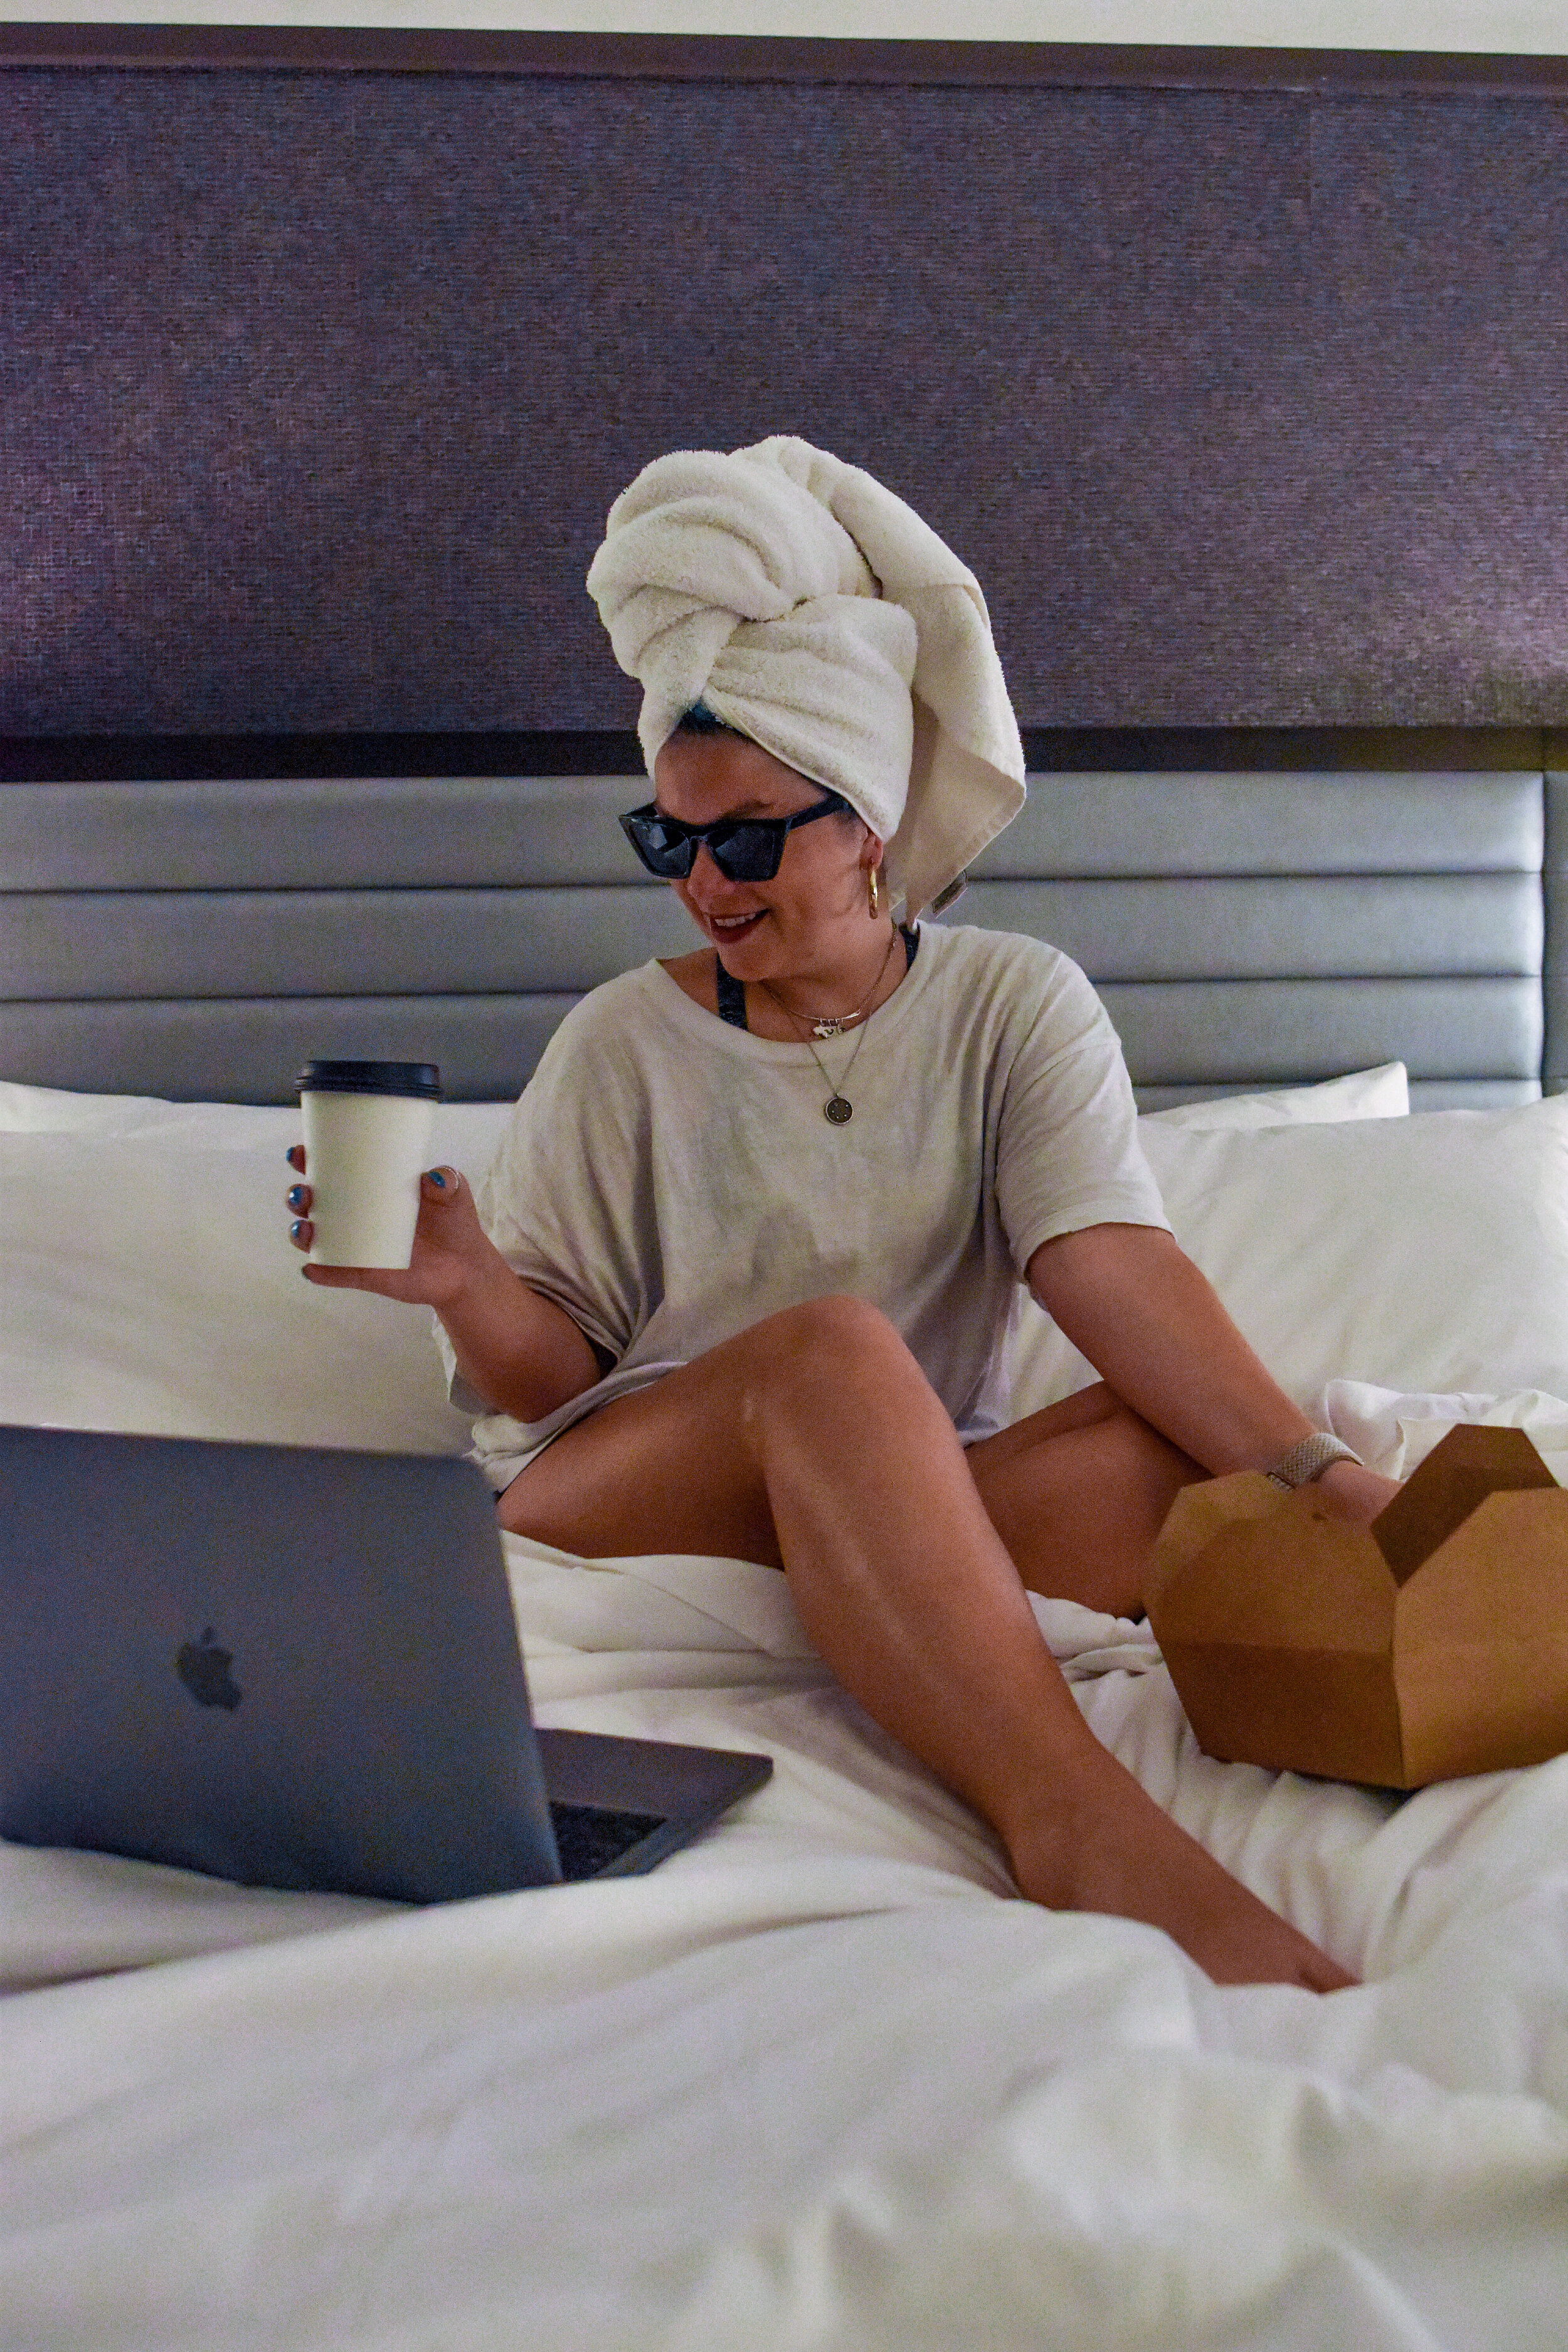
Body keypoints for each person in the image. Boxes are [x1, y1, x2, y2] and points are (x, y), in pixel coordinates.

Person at [287, 437, 1397, 1990]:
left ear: (867, 825)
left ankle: (897, 1607)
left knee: (1167, 1454)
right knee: (832, 1356)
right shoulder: (622, 1038)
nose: (703, 884)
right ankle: (1073, 1820)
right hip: (615, 1491)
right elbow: (550, 1386)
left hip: (898, 1485)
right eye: (669, 838)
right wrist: (465, 1284)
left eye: (746, 837)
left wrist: (1312, 1469)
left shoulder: (1014, 1004)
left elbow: (1099, 1256)